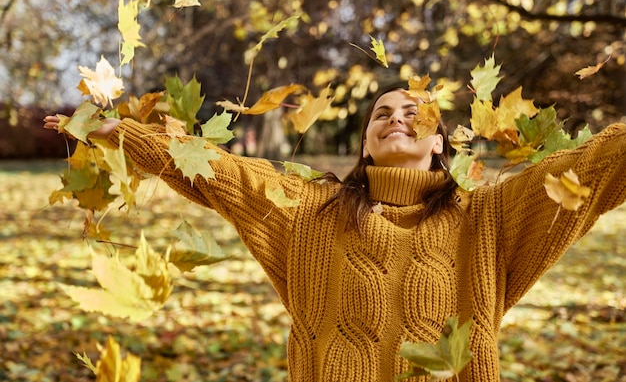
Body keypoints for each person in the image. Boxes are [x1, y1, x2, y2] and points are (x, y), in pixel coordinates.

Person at [44, 86, 626, 381]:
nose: (397, 117)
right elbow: (221, 174)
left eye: (415, 114)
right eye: (381, 113)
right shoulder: (309, 210)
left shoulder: (488, 215)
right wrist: (128, 136)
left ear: (439, 142)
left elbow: (594, 169)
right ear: (367, 142)